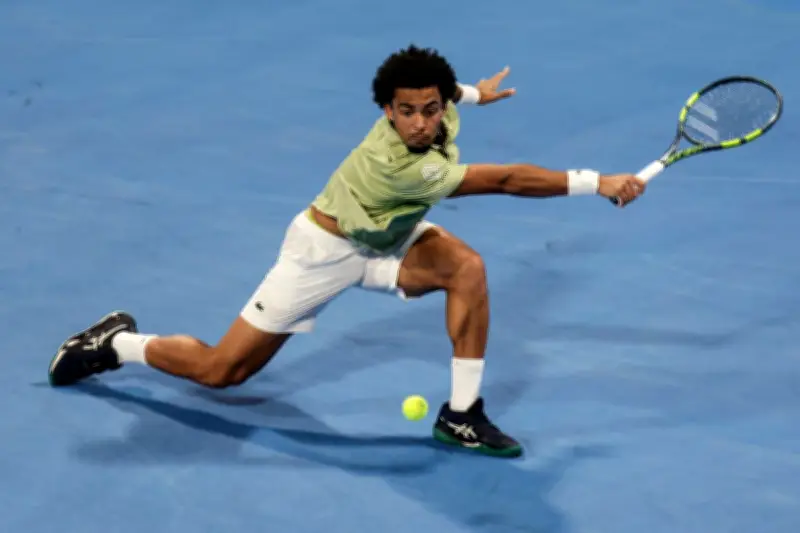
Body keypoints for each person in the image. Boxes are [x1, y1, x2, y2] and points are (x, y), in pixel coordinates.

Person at [48, 45, 646, 458]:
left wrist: (474, 94)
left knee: (466, 268)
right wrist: (599, 182)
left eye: (431, 109)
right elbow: (508, 180)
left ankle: (461, 415)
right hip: (325, 251)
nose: (420, 123)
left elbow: (445, 95)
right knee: (221, 371)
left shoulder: (439, 112)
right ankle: (116, 344)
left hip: (389, 234)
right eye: (406, 112)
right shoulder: (402, 166)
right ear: (387, 111)